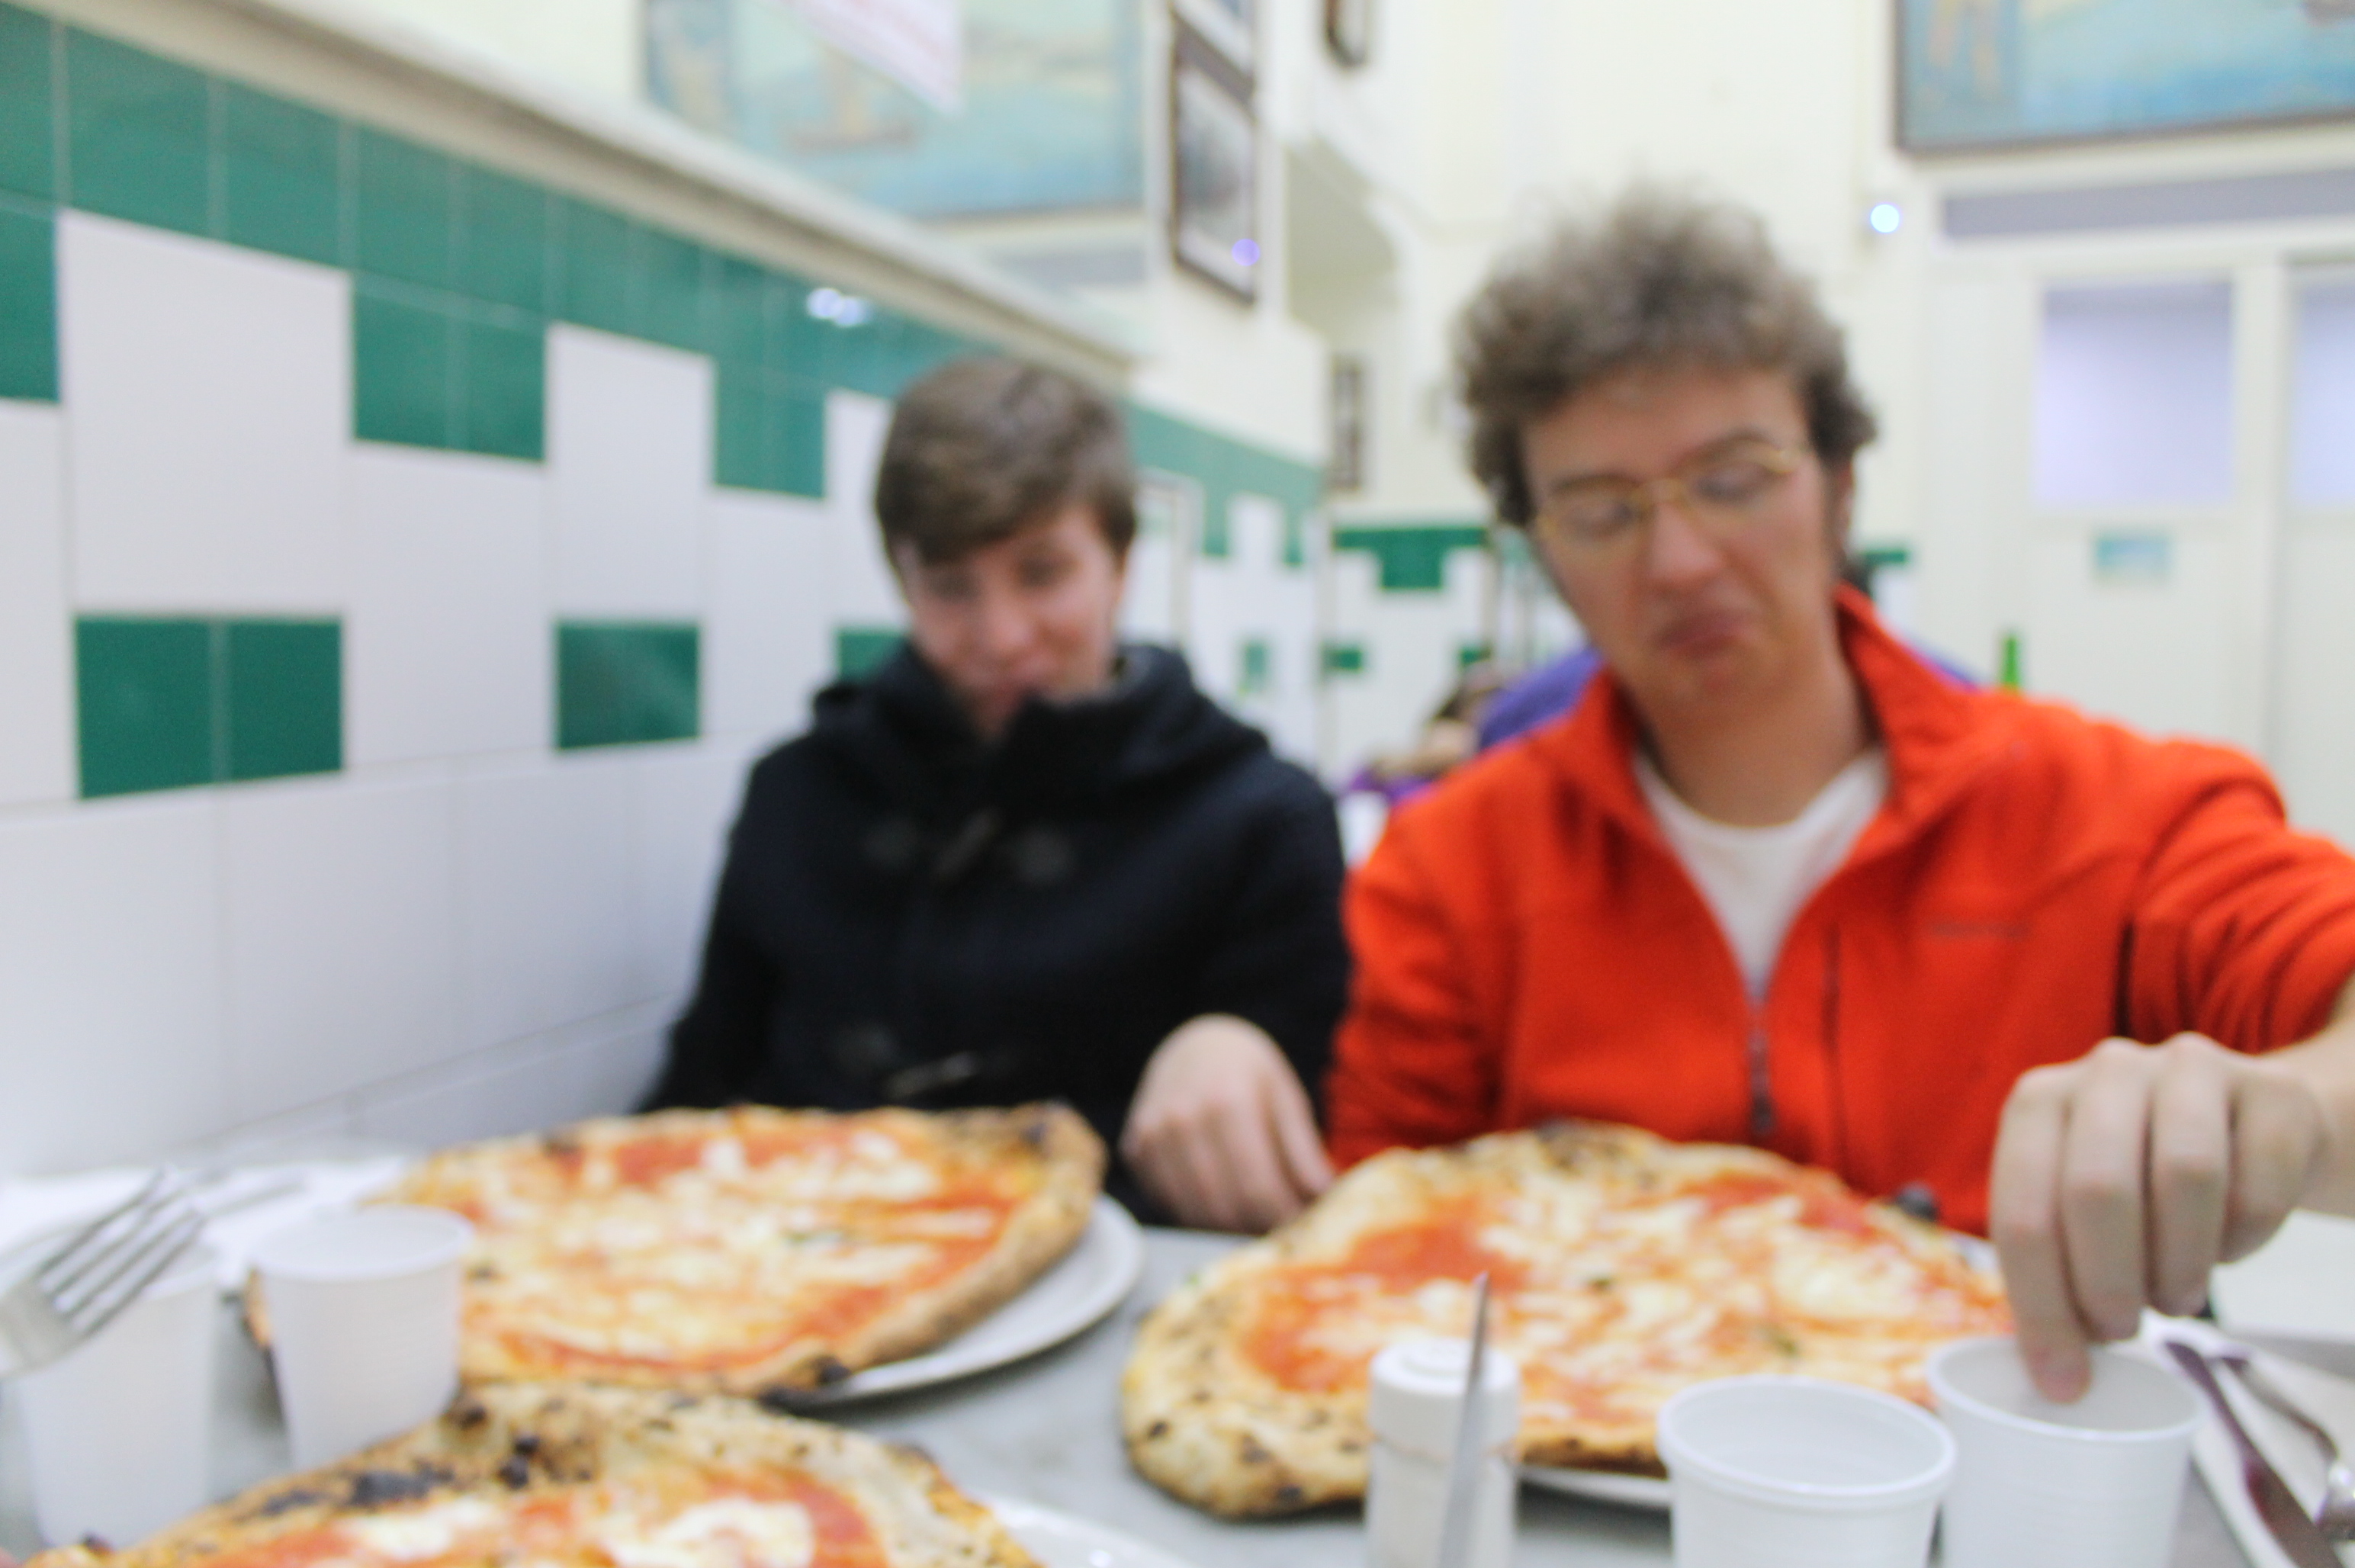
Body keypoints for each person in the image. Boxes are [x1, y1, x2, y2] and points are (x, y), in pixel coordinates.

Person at [1325, 189, 2355, 1402]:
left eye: (1735, 479)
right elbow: (1368, 1275)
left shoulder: (2111, 815)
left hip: (2011, 1446)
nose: (1680, 561)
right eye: (1602, 512)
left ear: (1840, 485)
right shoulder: (1450, 871)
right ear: (1542, 548)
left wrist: (2281, 1108)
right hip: (1583, 1445)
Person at [650, 358, 1348, 1232]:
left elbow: (1304, 1164)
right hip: (796, 1266)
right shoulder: (797, 792)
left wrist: (1238, 1045)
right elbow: (694, 1096)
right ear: (902, 580)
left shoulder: (1261, 819)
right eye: (951, 587)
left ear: (1120, 563)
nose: (1002, 635)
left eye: (1042, 572)